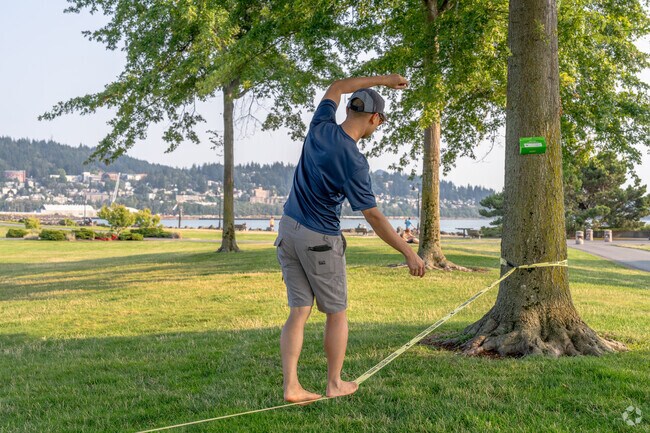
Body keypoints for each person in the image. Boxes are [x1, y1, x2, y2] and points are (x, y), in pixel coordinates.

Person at [274, 74, 426, 404]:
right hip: (320, 239)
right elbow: (373, 216)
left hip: (288, 228)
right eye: (379, 123)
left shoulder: (321, 126)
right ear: (375, 118)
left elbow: (337, 87)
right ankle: (334, 383)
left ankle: (292, 386)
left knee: (299, 310)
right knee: (337, 313)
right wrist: (409, 253)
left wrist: (384, 80)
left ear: (349, 108)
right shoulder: (354, 161)